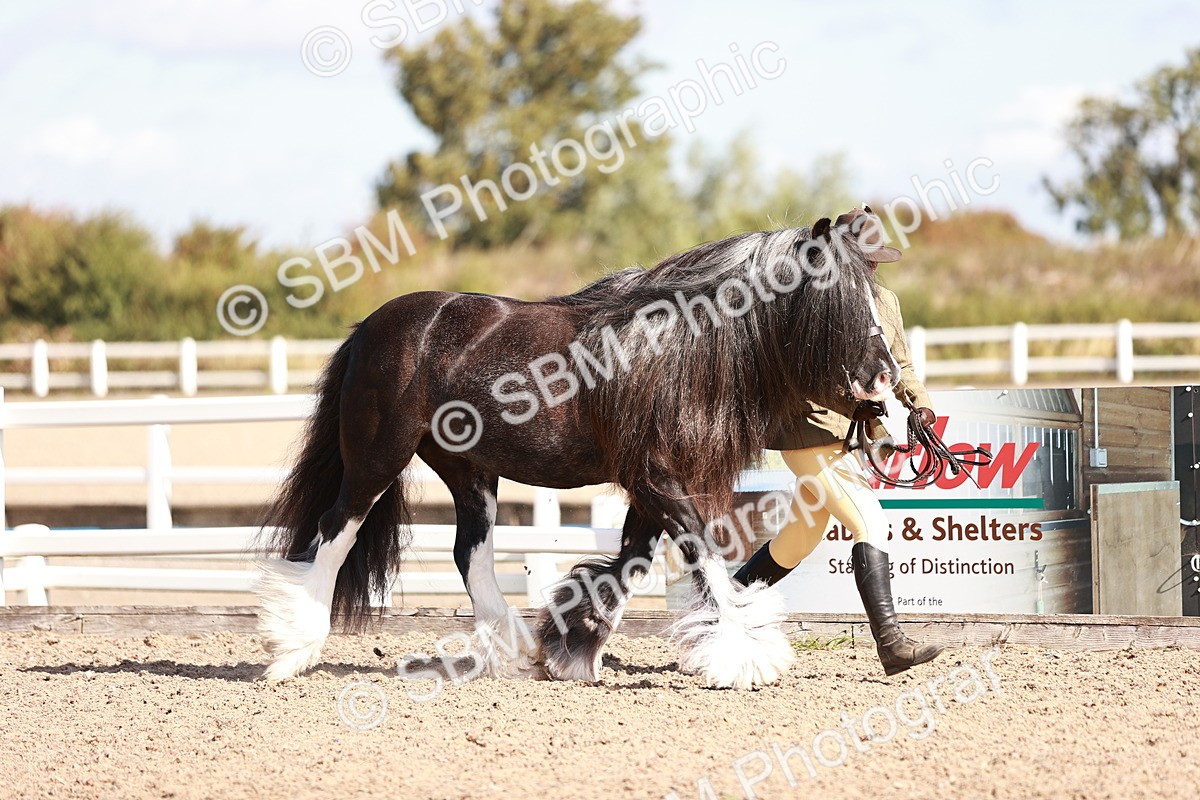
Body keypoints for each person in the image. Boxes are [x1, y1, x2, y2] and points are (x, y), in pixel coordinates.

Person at [734, 206, 943, 676]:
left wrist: (920, 405)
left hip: (846, 435)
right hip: (810, 430)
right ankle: (890, 643)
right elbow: (804, 373)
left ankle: (721, 608)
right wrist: (856, 407)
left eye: (875, 261)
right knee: (870, 520)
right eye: (864, 259)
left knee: (798, 539)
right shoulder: (815, 300)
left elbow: (900, 364)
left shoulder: (885, 302)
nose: (871, 269)